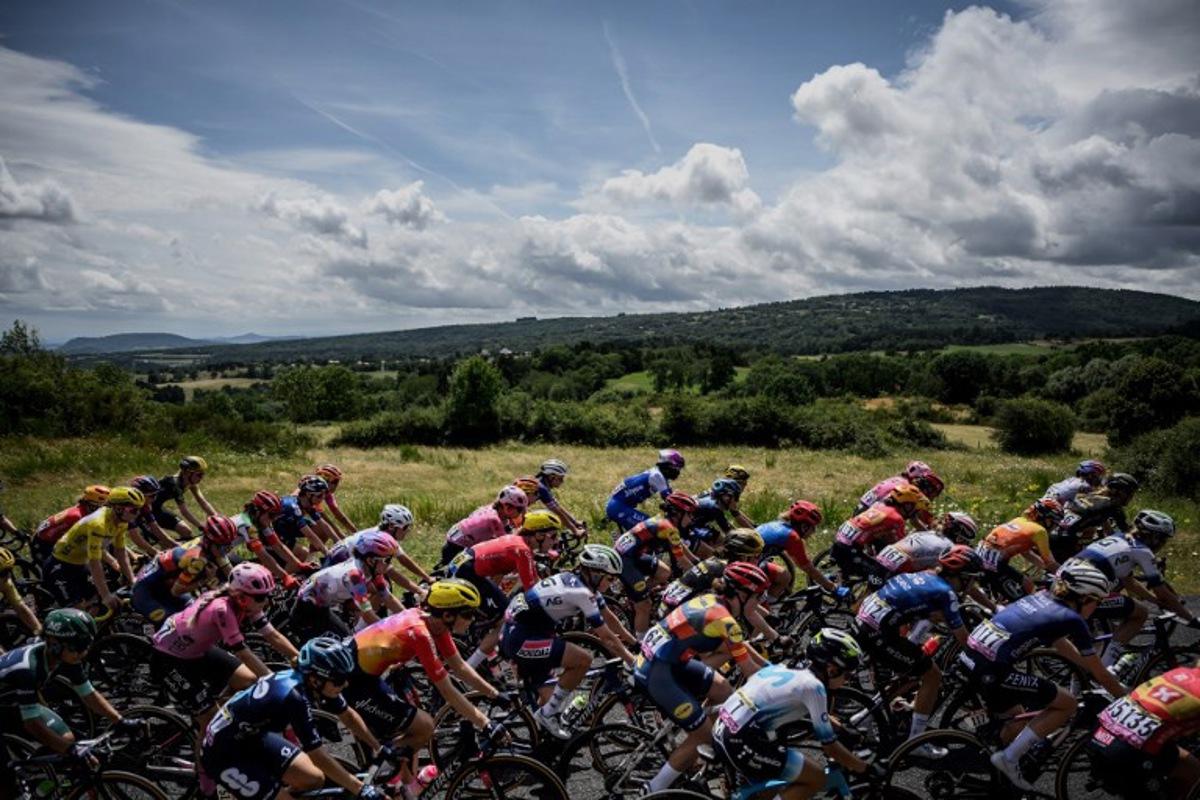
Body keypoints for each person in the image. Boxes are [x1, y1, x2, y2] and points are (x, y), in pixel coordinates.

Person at [955, 562, 1127, 791]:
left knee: (1018, 719)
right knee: (1067, 703)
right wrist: (1125, 698)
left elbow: (1059, 642)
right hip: (993, 670)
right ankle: (1008, 760)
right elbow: (1101, 674)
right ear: (1085, 598)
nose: (1096, 608)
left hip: (971, 658)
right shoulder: (1072, 619)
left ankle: (992, 773)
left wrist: (1086, 668)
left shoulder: (1041, 597)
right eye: (1097, 602)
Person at [345, 580, 510, 796]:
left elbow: (459, 666)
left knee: (414, 729)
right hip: (352, 682)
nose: (473, 619)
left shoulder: (435, 623)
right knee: (423, 726)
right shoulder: (421, 633)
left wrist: (494, 694)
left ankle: (404, 789)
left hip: (366, 676)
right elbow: (447, 690)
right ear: (449, 615)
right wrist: (485, 723)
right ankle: (374, 782)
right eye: (468, 614)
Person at [635, 565, 768, 793]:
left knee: (724, 690)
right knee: (704, 734)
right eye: (758, 597)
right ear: (742, 595)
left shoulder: (709, 599)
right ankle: (651, 790)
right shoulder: (726, 622)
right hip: (658, 673)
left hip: (667, 661)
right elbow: (750, 672)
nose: (760, 603)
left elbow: (738, 647)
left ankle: (692, 753)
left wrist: (771, 667)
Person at [200, 637, 383, 800]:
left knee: (314, 779)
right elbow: (317, 754)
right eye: (338, 680)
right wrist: (359, 788)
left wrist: (380, 748)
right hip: (223, 754)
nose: (344, 684)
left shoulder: (313, 683)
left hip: (252, 738)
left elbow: (348, 716)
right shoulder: (294, 696)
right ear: (315, 679)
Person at [711, 630, 876, 800]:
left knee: (771, 788)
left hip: (723, 728)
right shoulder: (815, 688)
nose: (848, 681)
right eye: (847, 674)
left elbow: (821, 716)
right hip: (740, 740)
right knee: (817, 778)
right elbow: (829, 746)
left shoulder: (786, 670)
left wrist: (843, 729)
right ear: (831, 669)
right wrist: (865, 768)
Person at [499, 544, 636, 738]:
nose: (613, 584)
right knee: (582, 660)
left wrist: (635, 643)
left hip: (528, 632)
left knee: (550, 698)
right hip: (522, 638)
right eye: (610, 578)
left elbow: (610, 618)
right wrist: (632, 661)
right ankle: (546, 716)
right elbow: (607, 637)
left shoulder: (580, 584)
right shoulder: (582, 594)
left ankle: (545, 741)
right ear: (595, 574)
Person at [855, 546, 983, 751]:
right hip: (877, 632)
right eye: (972, 578)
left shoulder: (926, 574)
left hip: (867, 621)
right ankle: (916, 742)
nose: (973, 584)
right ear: (962, 576)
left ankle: (864, 717)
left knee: (913, 670)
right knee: (933, 675)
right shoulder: (946, 593)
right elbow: (964, 640)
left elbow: (927, 611)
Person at [0, 609, 134, 798]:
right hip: (9, 703)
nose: (83, 652)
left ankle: (37, 781)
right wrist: (69, 750)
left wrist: (120, 720)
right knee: (6, 784)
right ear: (54, 644)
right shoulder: (28, 669)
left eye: (86, 645)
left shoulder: (66, 655)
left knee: (66, 738)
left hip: (9, 702)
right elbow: (31, 724)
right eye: (77, 647)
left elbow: (88, 694)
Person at [152, 563, 299, 733]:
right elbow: (243, 653)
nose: (265, 601)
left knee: (249, 680)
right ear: (241, 596)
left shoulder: (247, 603)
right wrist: (275, 683)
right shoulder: (223, 610)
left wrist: (301, 657)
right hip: (167, 659)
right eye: (260, 598)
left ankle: (211, 707)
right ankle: (205, 740)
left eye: (267, 596)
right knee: (211, 723)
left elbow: (273, 635)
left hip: (196, 651)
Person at [1065, 510, 1199, 677]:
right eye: (1163, 539)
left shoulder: (1120, 538)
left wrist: (1157, 603)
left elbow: (1129, 582)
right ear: (1153, 536)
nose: (1162, 544)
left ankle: (1087, 674)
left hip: (1067, 583)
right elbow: (1163, 592)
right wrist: (1192, 619)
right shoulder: (1142, 551)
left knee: (1113, 622)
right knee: (1140, 613)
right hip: (1083, 591)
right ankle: (1103, 671)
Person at [448, 514, 558, 670]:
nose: (555, 541)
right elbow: (532, 590)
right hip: (467, 572)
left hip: (467, 566)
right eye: (553, 536)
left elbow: (532, 577)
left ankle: (481, 634)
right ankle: (468, 667)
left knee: (499, 606)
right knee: (506, 620)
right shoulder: (522, 550)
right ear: (539, 535)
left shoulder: (520, 544)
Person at [1088, 665, 1200, 799]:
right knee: (1193, 771)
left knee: (1180, 758)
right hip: (1126, 750)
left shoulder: (1180, 672)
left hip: (1098, 733)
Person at [46, 486, 151, 612]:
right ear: (118, 508)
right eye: (134, 510)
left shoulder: (122, 522)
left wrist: (132, 579)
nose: (137, 514)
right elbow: (94, 562)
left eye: (139, 510)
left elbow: (121, 552)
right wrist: (106, 595)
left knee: (95, 603)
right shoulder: (98, 524)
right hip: (60, 565)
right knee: (77, 610)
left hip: (79, 564)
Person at [290, 531, 404, 642]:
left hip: (323, 607)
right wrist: (392, 632)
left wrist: (413, 616)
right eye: (387, 560)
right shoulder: (355, 576)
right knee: (345, 650)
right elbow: (368, 615)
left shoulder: (373, 571)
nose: (389, 564)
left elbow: (388, 598)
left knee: (349, 643)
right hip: (307, 610)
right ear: (370, 560)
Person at [614, 492, 699, 636]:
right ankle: (640, 642)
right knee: (645, 605)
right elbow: (682, 561)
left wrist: (696, 561)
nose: (692, 519)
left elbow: (680, 546)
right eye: (690, 514)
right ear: (677, 513)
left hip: (632, 554)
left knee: (664, 572)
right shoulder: (668, 527)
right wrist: (701, 574)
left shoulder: (666, 522)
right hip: (625, 559)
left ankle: (633, 596)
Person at [131, 515, 239, 626]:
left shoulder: (210, 546)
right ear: (210, 542)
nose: (226, 550)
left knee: (196, 613)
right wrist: (206, 580)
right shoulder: (197, 559)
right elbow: (176, 591)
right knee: (174, 625)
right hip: (146, 590)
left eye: (229, 546)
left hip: (165, 585)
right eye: (223, 547)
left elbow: (231, 573)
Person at [831, 483, 929, 583]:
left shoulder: (880, 505)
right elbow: (901, 546)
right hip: (849, 550)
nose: (914, 513)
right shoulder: (896, 518)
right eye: (915, 509)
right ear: (907, 505)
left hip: (841, 540)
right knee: (879, 578)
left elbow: (868, 528)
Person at [326, 504, 429, 595]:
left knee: (382, 587)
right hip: (336, 566)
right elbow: (391, 572)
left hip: (343, 562)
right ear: (392, 526)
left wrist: (427, 578)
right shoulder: (378, 542)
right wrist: (419, 591)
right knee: (380, 590)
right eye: (405, 527)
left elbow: (404, 560)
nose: (407, 531)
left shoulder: (384, 536)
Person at [976, 499, 1064, 603]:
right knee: (1028, 587)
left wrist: (1043, 567)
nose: (1054, 527)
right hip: (994, 563)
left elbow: (1026, 553)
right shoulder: (1039, 530)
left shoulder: (1018, 520)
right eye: (1054, 522)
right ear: (1046, 518)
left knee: (1000, 596)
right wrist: (1065, 575)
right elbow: (1050, 562)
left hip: (978, 555)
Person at [757, 500, 847, 598]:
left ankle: (765, 603)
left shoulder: (777, 524)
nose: (813, 532)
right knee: (779, 579)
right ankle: (762, 609)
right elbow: (808, 568)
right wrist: (833, 587)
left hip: (751, 560)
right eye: (813, 528)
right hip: (749, 565)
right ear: (804, 526)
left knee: (784, 576)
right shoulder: (792, 537)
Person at [868, 512, 976, 589]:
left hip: (882, 559)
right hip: (895, 568)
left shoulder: (930, 533)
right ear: (959, 537)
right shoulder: (949, 547)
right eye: (965, 541)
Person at [1050, 472, 1139, 564]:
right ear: (1117, 490)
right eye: (1129, 493)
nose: (1131, 497)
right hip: (1066, 542)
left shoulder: (1092, 496)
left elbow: (1106, 527)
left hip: (1054, 533)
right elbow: (1127, 532)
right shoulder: (1113, 505)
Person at [229, 490, 309, 584]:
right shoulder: (247, 525)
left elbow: (278, 546)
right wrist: (285, 577)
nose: (274, 518)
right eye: (272, 515)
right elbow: (263, 555)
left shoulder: (260, 521)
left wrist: (299, 564)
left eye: (277, 515)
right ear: (258, 511)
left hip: (224, 553)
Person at [441, 485, 528, 567]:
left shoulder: (493, 509)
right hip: (456, 549)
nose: (522, 513)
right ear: (508, 507)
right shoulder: (493, 519)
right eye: (520, 509)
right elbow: (508, 543)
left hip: (455, 541)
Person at [605, 449, 685, 532]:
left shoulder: (658, 473)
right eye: (677, 467)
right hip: (619, 507)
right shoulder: (657, 476)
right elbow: (670, 498)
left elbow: (671, 496)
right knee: (654, 528)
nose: (678, 471)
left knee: (653, 526)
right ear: (669, 465)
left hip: (618, 506)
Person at [31, 484, 110, 566]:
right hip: (43, 545)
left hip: (54, 541)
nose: (101, 510)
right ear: (88, 503)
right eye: (97, 506)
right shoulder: (77, 516)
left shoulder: (83, 509)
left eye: (104, 507)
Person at [855, 461, 943, 528]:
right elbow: (914, 518)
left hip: (861, 511)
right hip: (870, 515)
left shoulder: (897, 479)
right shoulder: (906, 487)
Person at [152, 455, 219, 539]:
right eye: (199, 475)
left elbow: (202, 502)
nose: (201, 478)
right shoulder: (174, 484)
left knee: (186, 531)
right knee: (166, 542)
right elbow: (184, 511)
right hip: (144, 511)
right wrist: (201, 526)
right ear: (187, 473)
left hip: (156, 509)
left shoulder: (190, 483)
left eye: (203, 474)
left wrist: (217, 517)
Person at [274, 475, 334, 560]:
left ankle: (309, 560)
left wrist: (341, 542)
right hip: (277, 536)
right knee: (303, 554)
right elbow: (309, 535)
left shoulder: (307, 503)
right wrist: (327, 553)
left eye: (324, 495)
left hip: (287, 529)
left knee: (322, 530)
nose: (322, 498)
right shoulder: (293, 507)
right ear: (309, 494)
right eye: (320, 495)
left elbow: (325, 526)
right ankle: (283, 572)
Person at [683, 478, 742, 557]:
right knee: (717, 552)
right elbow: (729, 532)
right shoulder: (714, 507)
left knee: (720, 540)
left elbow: (727, 527)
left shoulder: (711, 498)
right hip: (688, 529)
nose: (736, 501)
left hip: (693, 524)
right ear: (725, 496)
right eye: (735, 497)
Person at [535, 458, 586, 537]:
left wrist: (574, 522)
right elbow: (557, 512)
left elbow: (558, 507)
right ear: (551, 477)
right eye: (560, 478)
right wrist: (575, 530)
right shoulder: (541, 488)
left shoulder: (541, 483)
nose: (562, 481)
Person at [126, 475, 178, 551]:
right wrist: (155, 552)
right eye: (152, 495)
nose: (155, 498)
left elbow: (155, 527)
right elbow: (136, 538)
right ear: (139, 495)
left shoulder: (145, 505)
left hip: (132, 528)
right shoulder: (128, 510)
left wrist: (176, 545)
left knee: (165, 545)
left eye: (156, 494)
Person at [0, 547, 40, 636]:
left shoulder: (6, 582)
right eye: (3, 573)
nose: (8, 576)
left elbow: (22, 609)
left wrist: (40, 632)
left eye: (10, 570)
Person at [313, 463, 358, 536]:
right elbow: (323, 519)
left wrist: (356, 532)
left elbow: (338, 513)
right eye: (336, 482)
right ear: (329, 482)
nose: (337, 485)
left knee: (325, 530)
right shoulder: (315, 493)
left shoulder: (326, 492)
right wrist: (340, 535)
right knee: (324, 530)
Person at [1043, 459, 1107, 505]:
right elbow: (1097, 496)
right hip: (1054, 511)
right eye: (1098, 475)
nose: (1099, 478)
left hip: (1044, 504)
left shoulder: (1072, 479)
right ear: (1090, 475)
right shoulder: (1083, 485)